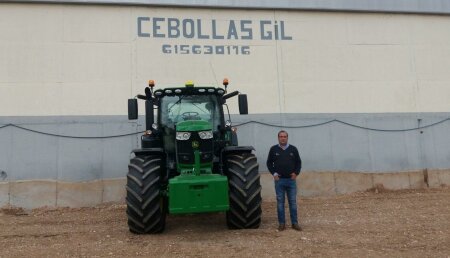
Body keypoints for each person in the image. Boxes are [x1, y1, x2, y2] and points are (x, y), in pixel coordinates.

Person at [266, 130, 302, 231]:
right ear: (278, 138)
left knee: (292, 202)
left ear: (287, 138)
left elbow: (298, 163)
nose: (283, 138)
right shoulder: (273, 149)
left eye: (285, 136)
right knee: (280, 203)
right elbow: (269, 163)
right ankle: (282, 224)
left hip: (291, 180)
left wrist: (296, 173)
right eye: (281, 136)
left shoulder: (293, 149)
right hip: (279, 181)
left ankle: (295, 223)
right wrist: (274, 174)